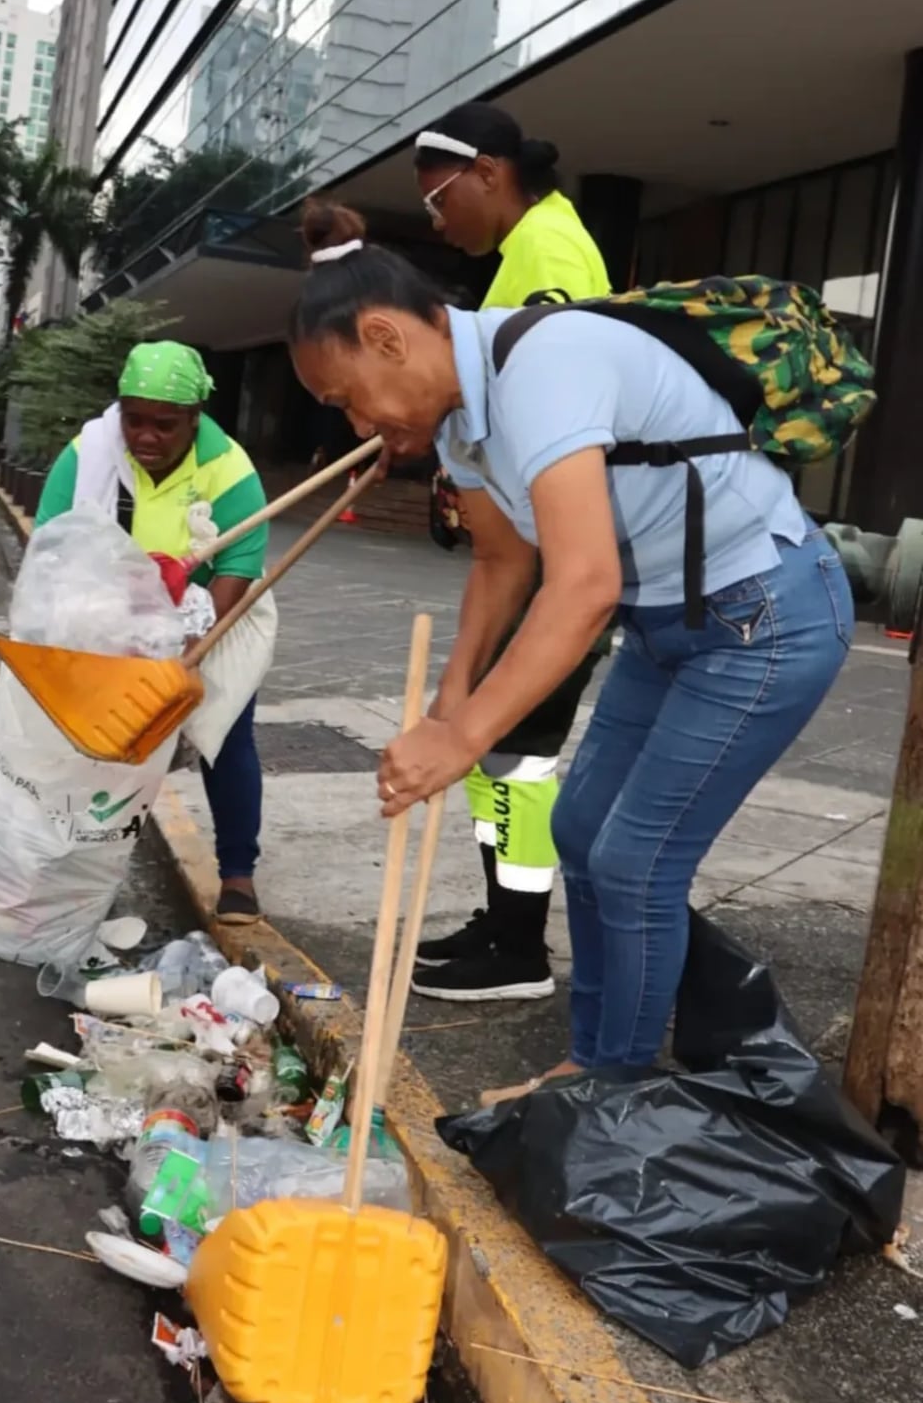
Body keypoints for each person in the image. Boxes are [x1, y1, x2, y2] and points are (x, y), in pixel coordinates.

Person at [288, 200, 853, 1092]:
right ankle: (597, 1062)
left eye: (345, 397)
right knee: (580, 828)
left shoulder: (543, 364)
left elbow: (581, 583)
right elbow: (504, 562)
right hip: (665, 620)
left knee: (637, 859)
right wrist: (451, 698)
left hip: (766, 614)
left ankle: (610, 1084)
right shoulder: (461, 420)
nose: (358, 425)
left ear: (387, 338)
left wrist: (464, 741)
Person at [410, 102, 611, 1003]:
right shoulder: (524, 252)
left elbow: (550, 407)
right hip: (525, 543)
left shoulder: (553, 253)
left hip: (557, 550)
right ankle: (501, 918)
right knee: (496, 750)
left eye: (439, 198)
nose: (439, 221)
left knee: (520, 749)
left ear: (489, 172)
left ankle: (521, 946)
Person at [35, 340, 270, 924]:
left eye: (165, 426)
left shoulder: (228, 468)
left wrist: (193, 647)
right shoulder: (88, 453)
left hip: (213, 614)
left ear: (195, 419)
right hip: (110, 614)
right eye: (134, 420)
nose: (145, 437)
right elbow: (51, 540)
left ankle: (238, 873)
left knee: (225, 736)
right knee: (100, 746)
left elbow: (239, 567)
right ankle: (84, 867)